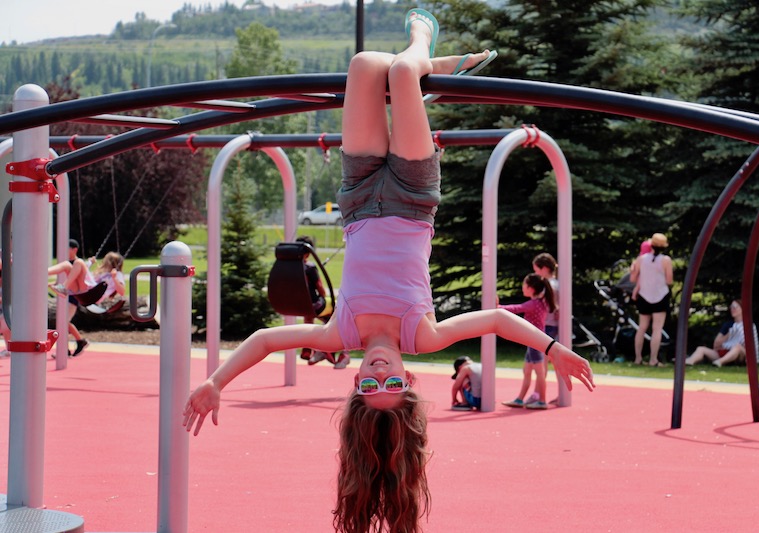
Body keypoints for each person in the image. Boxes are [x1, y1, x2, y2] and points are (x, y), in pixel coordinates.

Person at [183, 9, 593, 533]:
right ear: (409, 378)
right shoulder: (421, 335)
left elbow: (265, 339)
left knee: (363, 65)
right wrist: (556, 349)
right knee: (399, 74)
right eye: (393, 380)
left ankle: (428, 70)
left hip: (357, 198)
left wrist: (217, 381)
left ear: (355, 382)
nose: (381, 371)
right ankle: (423, 44)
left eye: (372, 381)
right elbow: (494, 320)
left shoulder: (341, 332)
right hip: (412, 196)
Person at [498, 274, 557, 409]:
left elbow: (516, 308)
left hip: (535, 342)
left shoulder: (534, 304)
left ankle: (542, 401)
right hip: (533, 343)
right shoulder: (541, 302)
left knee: (539, 373)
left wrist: (498, 307)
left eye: (524, 285)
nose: (522, 288)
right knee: (527, 371)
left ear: (531, 288)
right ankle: (520, 399)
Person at [295, 235, 349, 369]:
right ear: (308, 253)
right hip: (315, 306)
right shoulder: (310, 268)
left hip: (299, 306)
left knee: (313, 317)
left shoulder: (288, 268)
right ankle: (342, 354)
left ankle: (313, 349)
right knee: (339, 315)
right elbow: (322, 291)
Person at [629, 232, 672, 367]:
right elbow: (669, 280)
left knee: (641, 328)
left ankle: (638, 358)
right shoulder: (666, 260)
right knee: (657, 329)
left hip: (644, 296)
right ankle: (653, 359)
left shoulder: (641, 259)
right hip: (660, 296)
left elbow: (632, 278)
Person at [48, 239, 94, 356]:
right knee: (63, 322)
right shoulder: (71, 264)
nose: (64, 251)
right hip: (73, 291)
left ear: (74, 250)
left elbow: (82, 272)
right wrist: (52, 285)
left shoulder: (79, 263)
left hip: (82, 291)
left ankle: (76, 343)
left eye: (67, 249)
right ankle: (75, 343)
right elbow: (69, 277)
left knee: (63, 322)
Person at [686, 300, 759, 367]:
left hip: (741, 356)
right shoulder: (728, 325)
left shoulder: (749, 325)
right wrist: (729, 334)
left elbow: (750, 347)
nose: (732, 309)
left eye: (735, 307)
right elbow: (716, 345)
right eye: (731, 307)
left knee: (737, 347)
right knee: (701, 349)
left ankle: (720, 362)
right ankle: (689, 361)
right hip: (724, 352)